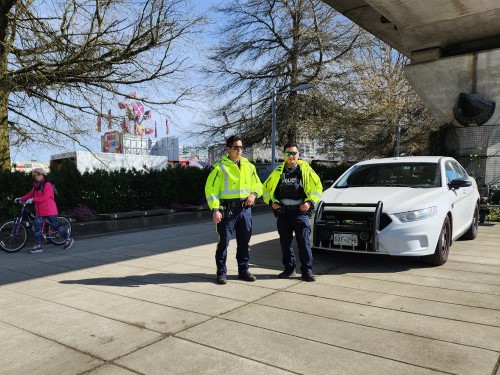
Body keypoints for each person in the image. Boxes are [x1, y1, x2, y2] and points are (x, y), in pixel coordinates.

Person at [205, 135, 263, 285]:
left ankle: (243, 271)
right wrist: (215, 209)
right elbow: (211, 190)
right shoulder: (219, 167)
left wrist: (253, 194)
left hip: (245, 210)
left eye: (241, 147)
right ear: (228, 149)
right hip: (227, 211)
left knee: (244, 242)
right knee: (223, 242)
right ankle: (221, 273)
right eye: (236, 147)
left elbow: (258, 184)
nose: (239, 150)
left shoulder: (249, 166)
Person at [263, 143, 322, 281]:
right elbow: (265, 190)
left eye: (294, 153)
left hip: (300, 213)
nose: (291, 156)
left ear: (298, 154)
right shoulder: (277, 172)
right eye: (288, 153)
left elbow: (317, 188)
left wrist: (310, 202)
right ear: (283, 155)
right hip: (283, 214)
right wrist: (271, 203)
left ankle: (307, 271)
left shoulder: (305, 170)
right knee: (285, 243)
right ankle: (289, 269)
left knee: (303, 243)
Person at [15, 168, 74, 253]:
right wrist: (20, 199)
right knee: (37, 228)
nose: (36, 177)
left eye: (37, 175)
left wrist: (33, 199)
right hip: (39, 211)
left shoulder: (47, 184)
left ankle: (68, 239)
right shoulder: (36, 185)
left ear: (42, 175)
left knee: (56, 225)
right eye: (34, 176)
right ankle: (38, 246)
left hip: (50, 209)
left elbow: (45, 197)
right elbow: (30, 194)